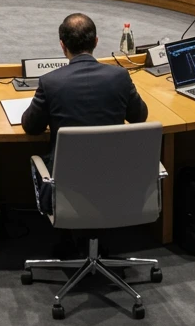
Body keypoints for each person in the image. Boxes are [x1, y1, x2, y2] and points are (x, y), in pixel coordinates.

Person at [21, 12, 148, 209]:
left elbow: (31, 127)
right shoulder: (120, 76)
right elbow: (139, 116)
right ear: (96, 41)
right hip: (116, 180)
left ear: (62, 45)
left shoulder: (50, 82)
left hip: (67, 187)